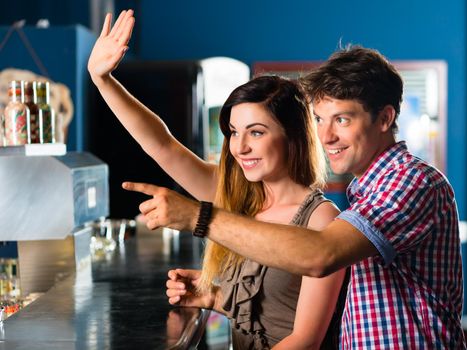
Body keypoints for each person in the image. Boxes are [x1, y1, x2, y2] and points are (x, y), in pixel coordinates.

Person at [125, 45, 466, 349]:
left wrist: (199, 217)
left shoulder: (411, 181)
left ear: (385, 118)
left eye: (342, 119)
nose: (326, 135)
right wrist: (217, 295)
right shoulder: (367, 191)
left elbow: (319, 255)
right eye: (319, 119)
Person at [88, 10, 346, 349]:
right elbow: (163, 146)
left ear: (294, 137)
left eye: (256, 132)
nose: (239, 147)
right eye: (234, 132)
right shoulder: (236, 195)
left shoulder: (321, 219)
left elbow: (306, 340)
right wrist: (102, 80)